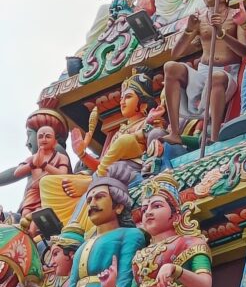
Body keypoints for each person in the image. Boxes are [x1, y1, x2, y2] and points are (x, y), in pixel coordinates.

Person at [40, 73, 158, 228]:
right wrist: (82, 153)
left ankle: (93, 184)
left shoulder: (149, 121)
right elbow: (101, 165)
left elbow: (153, 143)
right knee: (47, 182)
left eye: (128, 97)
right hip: (104, 173)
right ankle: (57, 227)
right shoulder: (118, 133)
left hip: (127, 172)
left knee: (125, 141)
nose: (122, 102)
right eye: (121, 98)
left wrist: (146, 126)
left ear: (142, 104)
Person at [163, 0, 246, 144]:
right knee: (170, 67)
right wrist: (189, 29)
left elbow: (243, 51)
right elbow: (176, 53)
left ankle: (214, 136)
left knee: (217, 76)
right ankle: (174, 132)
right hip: (203, 74)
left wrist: (221, 33)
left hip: (226, 75)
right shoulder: (199, 18)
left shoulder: (235, 15)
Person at [11, 126, 71, 221]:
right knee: (25, 215)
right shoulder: (32, 158)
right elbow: (17, 173)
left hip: (49, 192)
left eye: (48, 136)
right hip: (33, 192)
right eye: (40, 137)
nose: (44, 139)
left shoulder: (61, 157)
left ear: (55, 141)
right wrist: (32, 164)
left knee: (39, 217)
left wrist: (44, 165)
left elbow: (63, 174)